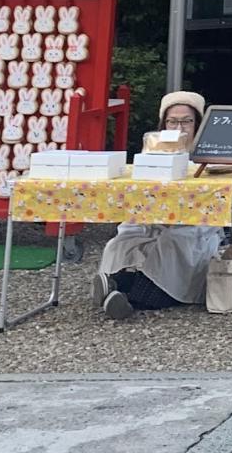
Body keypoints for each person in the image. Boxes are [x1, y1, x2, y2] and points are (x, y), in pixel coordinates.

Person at [93, 90, 222, 320]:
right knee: (123, 241)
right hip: (151, 221)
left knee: (173, 246)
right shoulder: (151, 152)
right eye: (172, 121)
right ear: (163, 124)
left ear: (197, 124)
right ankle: (115, 286)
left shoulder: (211, 158)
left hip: (192, 227)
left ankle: (120, 292)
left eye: (186, 121)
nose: (179, 128)